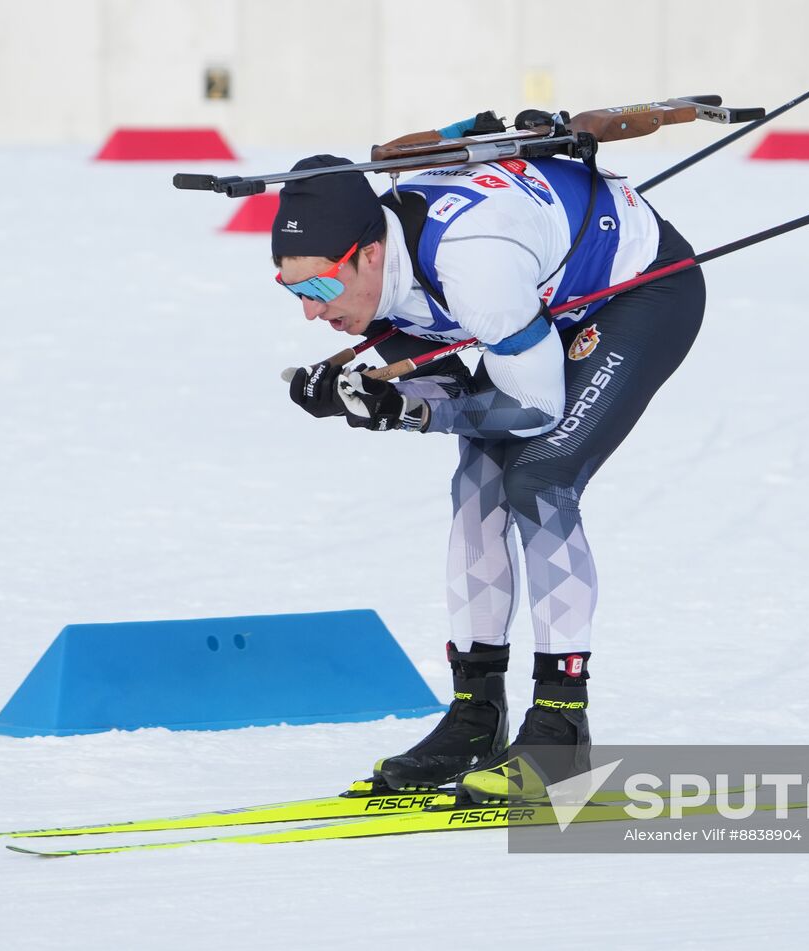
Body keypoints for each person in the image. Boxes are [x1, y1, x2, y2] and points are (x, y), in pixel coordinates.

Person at [272, 146, 705, 801]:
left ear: (366, 254)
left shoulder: (471, 261)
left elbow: (532, 409)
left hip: (639, 294)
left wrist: (405, 409)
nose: (311, 311)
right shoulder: (383, 276)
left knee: (538, 477)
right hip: (542, 308)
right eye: (295, 290)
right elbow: (453, 391)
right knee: (477, 486)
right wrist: (364, 400)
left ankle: (561, 733)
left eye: (320, 288)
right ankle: (477, 716)